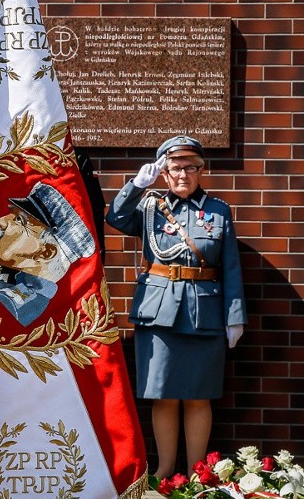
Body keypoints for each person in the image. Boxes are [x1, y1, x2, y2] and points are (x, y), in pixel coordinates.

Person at [105, 135, 246, 478]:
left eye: (191, 167)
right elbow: (116, 218)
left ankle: (197, 472)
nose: (183, 174)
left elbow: (230, 267)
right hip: (158, 311)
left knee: (199, 396)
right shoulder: (150, 207)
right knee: (163, 394)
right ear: (163, 172)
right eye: (175, 168)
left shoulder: (217, 210)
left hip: (204, 314)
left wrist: (235, 317)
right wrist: (137, 185)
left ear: (201, 170)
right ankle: (165, 469)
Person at [0, 183, 95, 326]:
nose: (0, 221)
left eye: (19, 220)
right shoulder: (1, 275)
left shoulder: (17, 304)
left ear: (45, 253)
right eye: (12, 215)